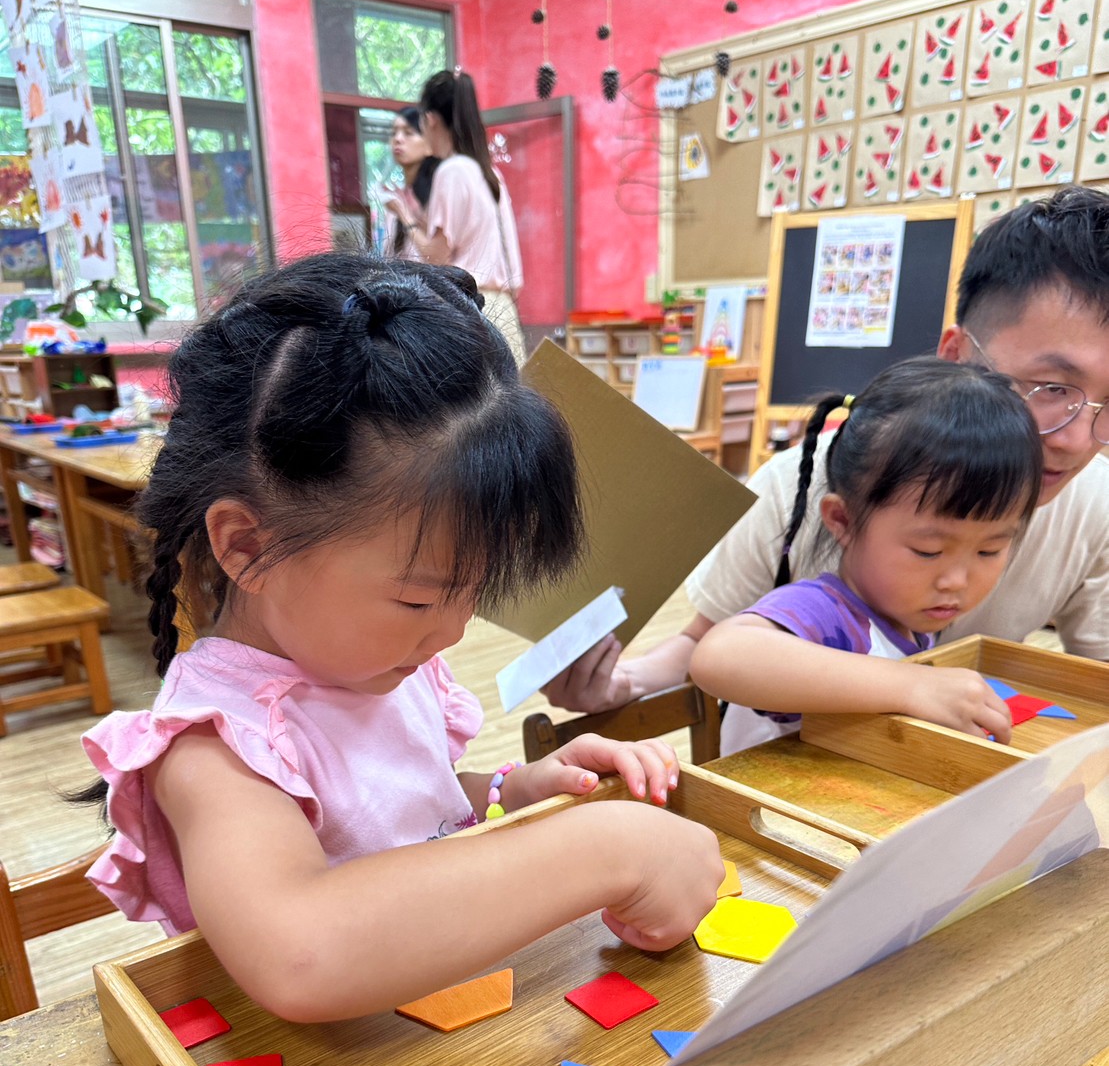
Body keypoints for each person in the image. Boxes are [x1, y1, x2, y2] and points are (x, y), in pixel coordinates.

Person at [79, 255, 723, 1024]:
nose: (452, 629)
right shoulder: (215, 745)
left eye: (473, 590)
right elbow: (300, 953)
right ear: (247, 546)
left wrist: (509, 791)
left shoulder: (376, 662)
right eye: (419, 597)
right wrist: (604, 849)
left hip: (438, 1039)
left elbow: (404, 808)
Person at [545, 186, 1109, 731]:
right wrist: (624, 680)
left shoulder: (1095, 504)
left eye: (991, 548)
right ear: (956, 357)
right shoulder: (802, 495)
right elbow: (713, 648)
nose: (1079, 439)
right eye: (1051, 388)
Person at [688, 358, 1042, 752]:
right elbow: (720, 655)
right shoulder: (827, 615)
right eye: (928, 551)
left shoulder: (908, 620)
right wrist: (912, 686)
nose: (956, 580)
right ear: (843, 520)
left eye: (989, 550)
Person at [400, 68, 526, 365]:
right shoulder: (488, 172)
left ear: (430, 119)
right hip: (503, 310)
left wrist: (405, 218)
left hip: (471, 312)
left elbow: (436, 256)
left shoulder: (452, 171)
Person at [381, 106, 439, 262]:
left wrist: (405, 214)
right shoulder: (395, 200)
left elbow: (439, 259)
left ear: (429, 143)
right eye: (394, 133)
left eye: (408, 133)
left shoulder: (440, 192)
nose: (398, 139)